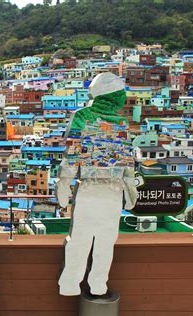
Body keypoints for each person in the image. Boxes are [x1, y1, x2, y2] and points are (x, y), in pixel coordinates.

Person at [56, 72, 138, 296]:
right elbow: (127, 164)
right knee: (105, 242)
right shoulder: (121, 122)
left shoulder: (83, 116)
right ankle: (97, 284)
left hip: (89, 187)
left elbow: (71, 155)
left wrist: (63, 187)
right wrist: (131, 193)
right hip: (113, 190)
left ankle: (71, 283)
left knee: (81, 238)